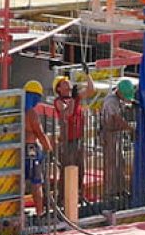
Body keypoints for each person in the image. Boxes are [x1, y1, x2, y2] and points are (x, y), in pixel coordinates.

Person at [52, 73, 95, 203]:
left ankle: (80, 195)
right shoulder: (59, 101)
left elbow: (91, 90)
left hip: (78, 139)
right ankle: (62, 198)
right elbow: (68, 113)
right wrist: (73, 100)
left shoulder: (75, 98)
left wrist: (88, 75)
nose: (68, 83)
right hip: (67, 141)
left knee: (81, 168)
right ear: (59, 88)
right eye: (64, 83)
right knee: (67, 169)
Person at [100, 78, 135, 199]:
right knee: (111, 163)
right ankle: (110, 192)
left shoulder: (118, 99)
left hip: (116, 133)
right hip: (109, 134)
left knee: (120, 162)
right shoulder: (111, 102)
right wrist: (130, 128)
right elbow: (117, 119)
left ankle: (120, 189)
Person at [23, 80, 52, 219]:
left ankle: (18, 211)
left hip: (20, 149)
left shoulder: (17, 111)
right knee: (36, 182)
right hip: (31, 149)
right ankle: (40, 212)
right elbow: (40, 133)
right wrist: (49, 148)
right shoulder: (32, 113)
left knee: (20, 181)